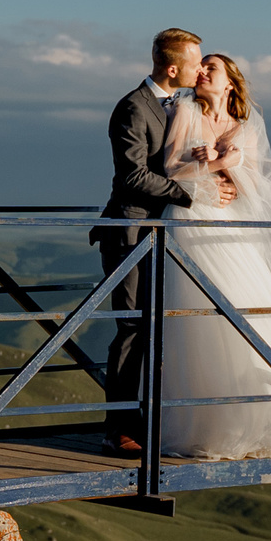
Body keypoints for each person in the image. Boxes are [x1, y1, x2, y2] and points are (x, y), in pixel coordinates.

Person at [154, 53, 271, 458]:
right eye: (201, 66)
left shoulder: (244, 127)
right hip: (191, 218)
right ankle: (205, 423)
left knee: (251, 306)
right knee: (198, 317)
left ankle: (267, 414)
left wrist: (232, 170)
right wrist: (217, 164)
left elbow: (255, 184)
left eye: (212, 68)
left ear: (229, 83)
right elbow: (171, 169)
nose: (202, 72)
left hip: (230, 224)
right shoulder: (186, 110)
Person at [92, 28, 203, 452]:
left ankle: (155, 422)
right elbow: (132, 176)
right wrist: (190, 194)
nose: (200, 68)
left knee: (162, 329)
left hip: (168, 234)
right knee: (133, 326)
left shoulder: (187, 104)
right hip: (131, 231)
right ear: (173, 69)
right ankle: (119, 428)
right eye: (195, 61)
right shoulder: (133, 107)